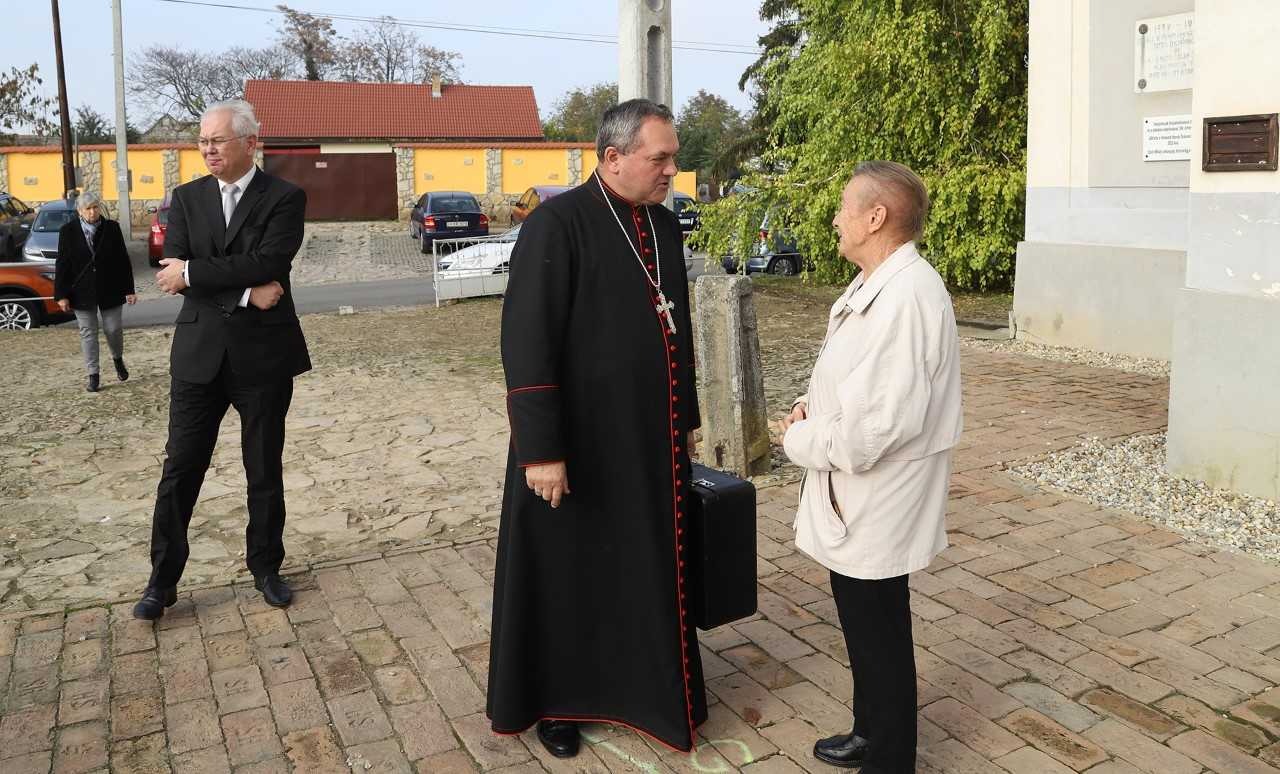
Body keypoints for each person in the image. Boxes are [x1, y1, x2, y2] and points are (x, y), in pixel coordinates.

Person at [487, 99, 706, 757]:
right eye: (660, 158)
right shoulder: (555, 225)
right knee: (568, 573)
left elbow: (677, 328)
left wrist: (686, 420)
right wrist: (541, 451)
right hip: (574, 443)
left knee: (644, 564)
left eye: (673, 158)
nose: (671, 170)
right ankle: (559, 702)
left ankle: (647, 689)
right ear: (613, 157)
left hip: (647, 438)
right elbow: (527, 342)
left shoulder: (663, 225)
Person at [780, 161, 962, 773]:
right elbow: (855, 383)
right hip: (860, 494)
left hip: (877, 493)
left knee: (878, 627)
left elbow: (874, 429)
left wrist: (800, 438)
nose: (836, 218)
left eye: (844, 208)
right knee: (865, 624)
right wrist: (812, 407)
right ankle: (870, 730)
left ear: (876, 217)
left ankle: (889, 758)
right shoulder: (879, 282)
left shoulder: (906, 296)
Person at [132, 99, 310, 620]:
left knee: (263, 468)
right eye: (202, 141)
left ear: (250, 142)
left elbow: (268, 261)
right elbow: (173, 273)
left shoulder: (284, 198)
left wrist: (195, 272)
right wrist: (245, 293)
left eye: (217, 140)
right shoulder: (186, 198)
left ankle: (266, 568)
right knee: (180, 468)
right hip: (199, 355)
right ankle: (162, 581)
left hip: (263, 356)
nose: (207, 149)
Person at [54, 191, 137, 392]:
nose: (92, 212)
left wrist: (129, 289)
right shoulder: (68, 231)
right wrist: (61, 294)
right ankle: (93, 374)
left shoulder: (112, 228)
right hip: (81, 290)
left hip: (110, 288)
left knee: (113, 329)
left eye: (95, 207)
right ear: (80, 211)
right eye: (88, 209)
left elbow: (122, 259)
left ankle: (117, 358)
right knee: (88, 332)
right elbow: (62, 263)